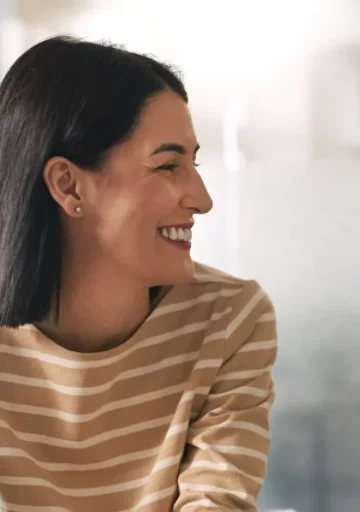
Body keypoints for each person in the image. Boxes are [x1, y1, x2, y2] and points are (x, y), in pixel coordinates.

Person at [0, 37, 277, 510]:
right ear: (69, 185)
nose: (202, 199)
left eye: (194, 162)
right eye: (168, 165)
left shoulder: (230, 319)